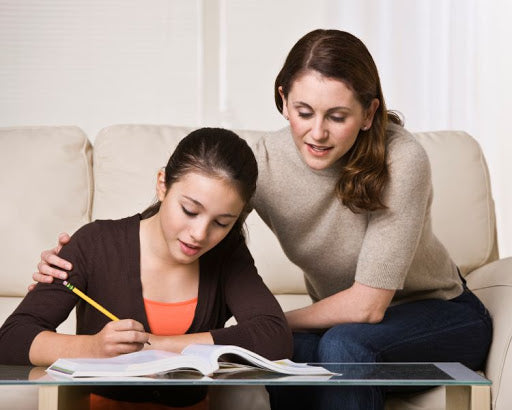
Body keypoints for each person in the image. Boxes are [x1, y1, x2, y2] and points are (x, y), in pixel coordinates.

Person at [33, 29, 492, 410]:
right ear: (282, 99)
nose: (317, 133)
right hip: (336, 325)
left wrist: (269, 322)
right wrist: (82, 250)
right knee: (288, 356)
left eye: (338, 116)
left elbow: (368, 308)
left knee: (339, 346)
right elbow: (193, 214)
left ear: (370, 113)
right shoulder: (263, 164)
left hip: (439, 313)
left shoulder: (403, 157)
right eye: (303, 112)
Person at [0, 127, 292, 409]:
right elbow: (11, 339)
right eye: (190, 210)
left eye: (222, 222)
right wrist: (92, 348)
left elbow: (274, 337)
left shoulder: (227, 254)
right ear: (162, 184)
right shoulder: (96, 243)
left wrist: (156, 345)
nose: (200, 234)